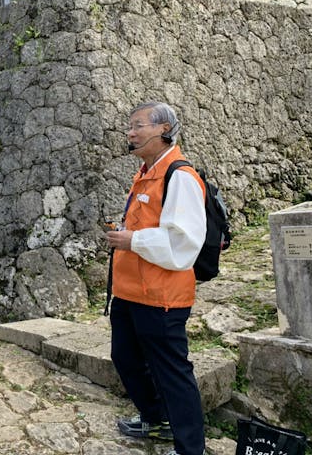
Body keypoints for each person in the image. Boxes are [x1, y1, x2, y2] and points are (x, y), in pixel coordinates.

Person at [105, 101, 207, 455]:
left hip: (162, 296)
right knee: (125, 357)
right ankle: (155, 418)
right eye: (129, 126)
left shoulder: (180, 175)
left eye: (138, 125)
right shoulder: (144, 174)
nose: (130, 133)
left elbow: (184, 242)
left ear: (164, 129)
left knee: (173, 374)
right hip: (130, 292)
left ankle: (190, 447)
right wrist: (125, 232)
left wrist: (131, 240)